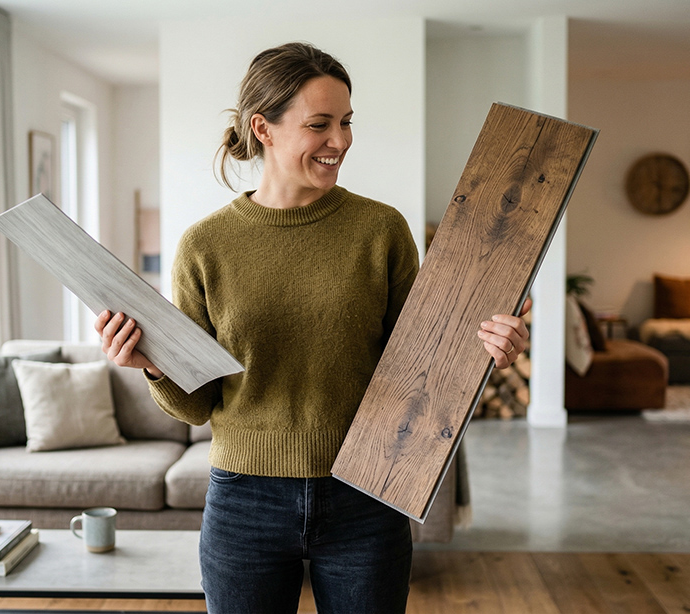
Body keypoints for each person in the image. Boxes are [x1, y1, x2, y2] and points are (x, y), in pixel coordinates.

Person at [96, 42, 531, 614]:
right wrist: (152, 363)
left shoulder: (381, 230)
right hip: (244, 500)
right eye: (319, 124)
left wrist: (486, 348)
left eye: (346, 122)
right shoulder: (205, 246)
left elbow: (421, 365)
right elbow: (197, 406)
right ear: (264, 129)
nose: (340, 141)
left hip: (367, 491)